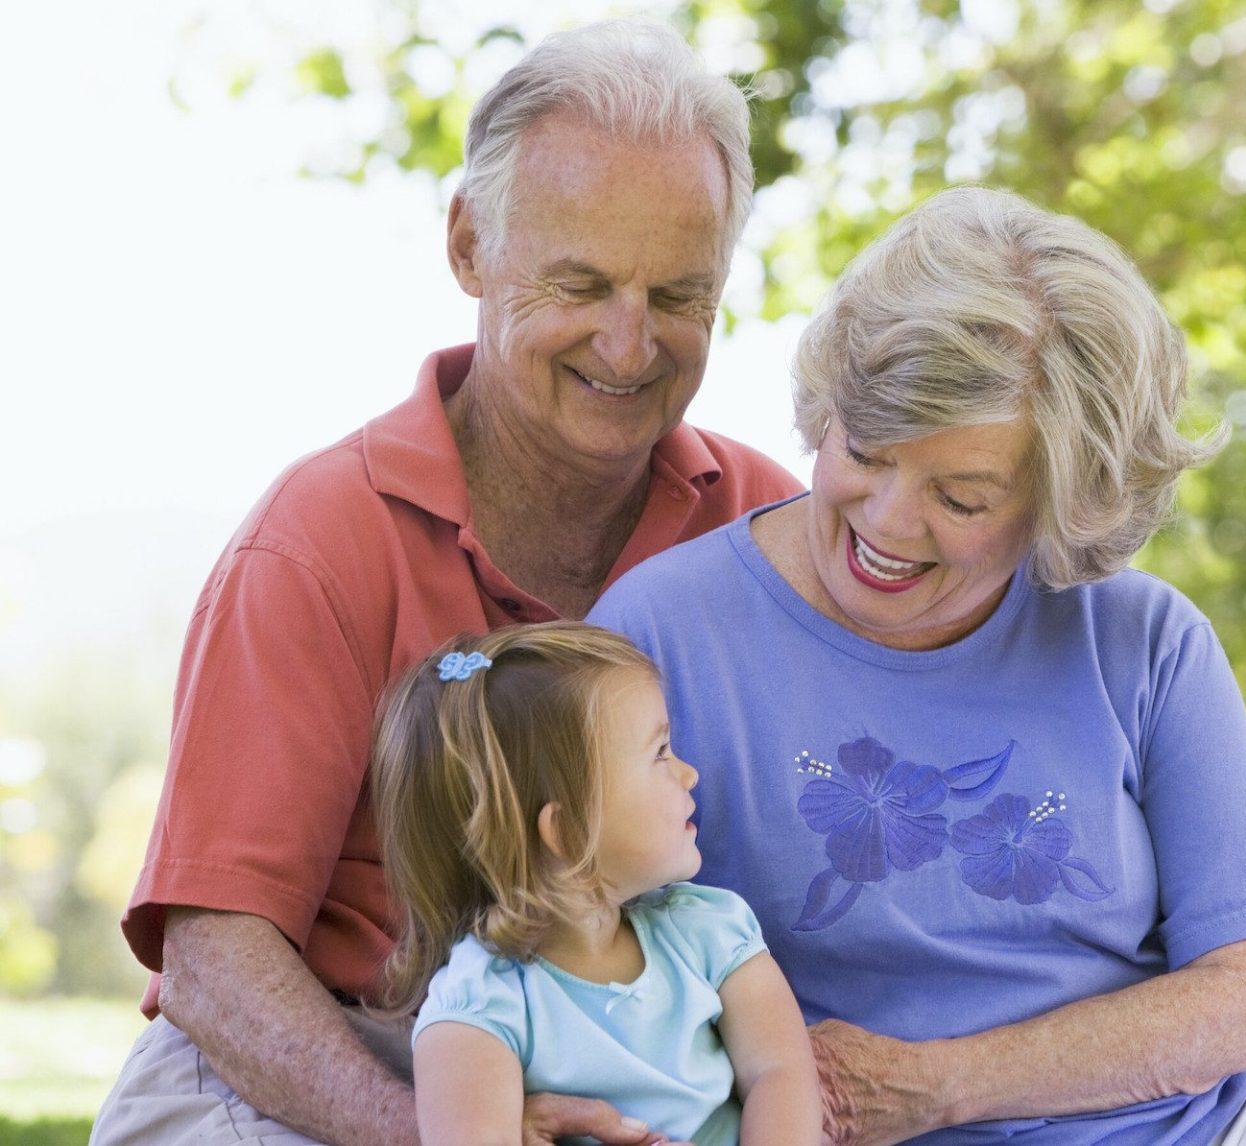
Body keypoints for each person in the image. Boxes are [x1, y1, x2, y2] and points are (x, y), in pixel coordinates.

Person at [92, 21, 801, 1145]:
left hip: (651, 1059)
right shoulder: (317, 541)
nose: (629, 346)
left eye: (678, 295)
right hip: (335, 1060)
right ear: (472, 246)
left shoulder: (768, 525)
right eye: (581, 283)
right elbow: (212, 954)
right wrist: (434, 1128)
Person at [587, 186, 1246, 1144]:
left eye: (961, 497)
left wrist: (942, 1084)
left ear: (1063, 504)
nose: (887, 522)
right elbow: (574, 941)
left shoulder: (1142, 643)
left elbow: (1243, 1005)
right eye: (867, 451)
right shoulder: (662, 633)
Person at [372, 623, 821, 1144]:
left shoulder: (711, 931)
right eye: (660, 753)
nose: (689, 774)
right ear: (567, 832)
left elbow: (782, 1074)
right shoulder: (477, 1009)